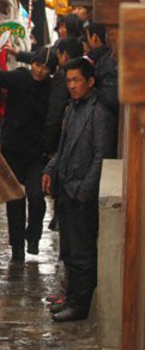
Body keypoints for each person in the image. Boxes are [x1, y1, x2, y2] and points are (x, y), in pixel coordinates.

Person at [42, 57, 115, 322]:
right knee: (70, 252)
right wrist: (51, 169)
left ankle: (79, 305)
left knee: (83, 254)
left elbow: (101, 155)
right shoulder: (72, 108)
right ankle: (71, 298)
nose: (71, 86)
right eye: (69, 81)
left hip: (81, 193)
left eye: (76, 81)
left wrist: (84, 191)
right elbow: (63, 147)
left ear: (90, 82)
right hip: (66, 189)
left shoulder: (99, 112)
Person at [0, 47, 57, 261]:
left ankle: (33, 238)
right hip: (13, 149)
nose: (40, 71)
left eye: (46, 68)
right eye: (38, 65)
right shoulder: (20, 77)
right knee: (14, 198)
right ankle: (17, 248)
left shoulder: (52, 87)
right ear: (32, 63)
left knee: (36, 196)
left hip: (36, 152)